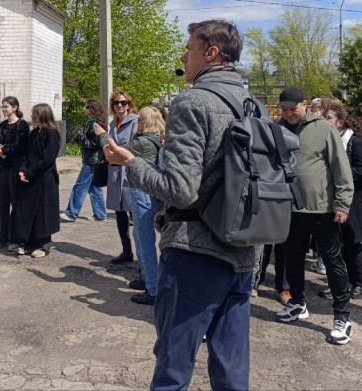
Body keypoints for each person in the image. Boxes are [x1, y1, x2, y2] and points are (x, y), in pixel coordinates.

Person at [104, 19, 254, 391]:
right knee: (232, 373)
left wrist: (130, 163)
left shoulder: (192, 101)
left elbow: (180, 190)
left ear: (211, 53)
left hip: (195, 252)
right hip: (244, 250)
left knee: (173, 370)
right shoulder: (252, 106)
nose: (184, 57)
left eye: (189, 49)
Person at [275, 87, 354, 346]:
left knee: (333, 261)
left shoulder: (324, 129)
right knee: (292, 257)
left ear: (305, 104)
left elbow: (341, 167)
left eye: (293, 108)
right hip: (289, 208)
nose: (289, 113)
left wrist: (342, 203)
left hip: (322, 208)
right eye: (284, 109)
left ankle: (341, 316)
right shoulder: (277, 128)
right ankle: (298, 302)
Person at [318, 105, 362, 300]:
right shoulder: (325, 140)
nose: (324, 120)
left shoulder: (354, 142)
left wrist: (340, 175)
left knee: (352, 244)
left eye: (329, 117)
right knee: (335, 246)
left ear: (340, 122)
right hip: (330, 200)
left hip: (353, 202)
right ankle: (338, 283)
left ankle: (357, 284)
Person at [122, 105, 166, 306]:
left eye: (140, 119)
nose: (137, 122)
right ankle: (147, 278)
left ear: (145, 121)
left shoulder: (142, 142)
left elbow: (115, 153)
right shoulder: (160, 140)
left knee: (144, 240)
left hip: (142, 193)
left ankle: (152, 289)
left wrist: (103, 135)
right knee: (142, 238)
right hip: (154, 193)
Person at [13, 103, 61, 258]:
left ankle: (43, 245)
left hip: (45, 179)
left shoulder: (51, 134)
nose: (33, 116)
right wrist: (22, 170)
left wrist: (30, 172)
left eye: (35, 113)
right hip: (31, 178)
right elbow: (27, 155)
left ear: (43, 115)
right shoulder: (34, 133)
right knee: (28, 211)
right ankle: (28, 243)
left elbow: (48, 159)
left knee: (43, 212)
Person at [97, 90, 138, 265]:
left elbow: (134, 147)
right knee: (120, 214)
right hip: (115, 172)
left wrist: (108, 141)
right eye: (116, 103)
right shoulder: (113, 123)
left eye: (123, 102)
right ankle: (126, 251)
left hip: (129, 172)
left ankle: (143, 255)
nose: (119, 105)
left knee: (136, 214)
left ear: (129, 104)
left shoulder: (135, 121)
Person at [0, 96, 30, 251]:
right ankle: (1, 236)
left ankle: (15, 237)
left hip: (15, 168)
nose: (4, 109)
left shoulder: (22, 125)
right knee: (0, 203)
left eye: (6, 106)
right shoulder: (1, 126)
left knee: (16, 203)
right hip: (2, 168)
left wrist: (4, 149)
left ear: (15, 107)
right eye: (3, 106)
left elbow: (20, 146)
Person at [61, 99, 108, 223]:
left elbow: (95, 144)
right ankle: (100, 214)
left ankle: (71, 213)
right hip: (93, 159)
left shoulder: (94, 124)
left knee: (80, 186)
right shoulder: (90, 122)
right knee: (94, 187)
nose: (84, 109)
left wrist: (82, 138)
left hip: (92, 160)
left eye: (86, 107)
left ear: (92, 109)